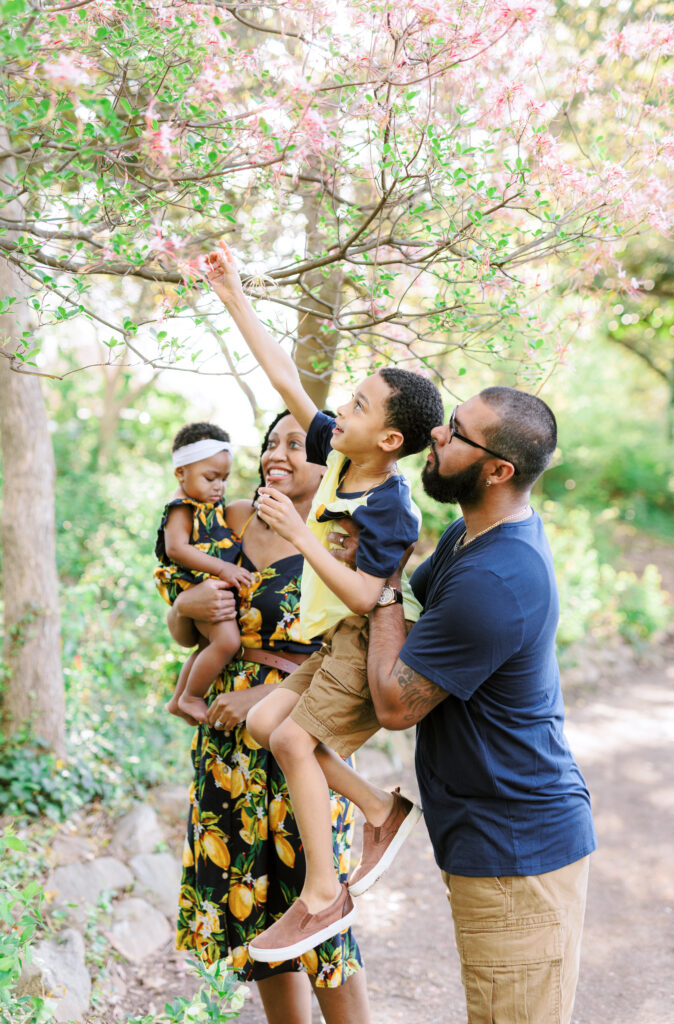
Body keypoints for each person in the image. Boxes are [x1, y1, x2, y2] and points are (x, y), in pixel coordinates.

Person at [204, 242, 444, 962]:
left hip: (362, 643)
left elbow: (372, 594)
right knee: (265, 729)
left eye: (359, 405)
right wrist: (233, 295)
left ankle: (321, 893)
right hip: (330, 642)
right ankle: (378, 807)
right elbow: (284, 376)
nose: (341, 410)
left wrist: (299, 537)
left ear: (391, 438)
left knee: (283, 737)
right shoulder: (338, 451)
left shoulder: (390, 506)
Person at [357, 386, 597, 1024]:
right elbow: (412, 614)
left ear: (499, 470)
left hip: (517, 848)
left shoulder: (496, 577)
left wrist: (378, 586)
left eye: (457, 431)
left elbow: (394, 703)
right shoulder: (473, 532)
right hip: (487, 836)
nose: (436, 432)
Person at [167, 411, 372, 1024]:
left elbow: (354, 648)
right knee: (254, 904)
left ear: (331, 461)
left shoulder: (341, 537)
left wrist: (262, 693)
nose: (277, 454)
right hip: (225, 746)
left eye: (297, 444)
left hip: (304, 733)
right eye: (270, 443)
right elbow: (190, 634)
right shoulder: (225, 521)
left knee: (316, 904)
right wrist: (183, 604)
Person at [154, 422, 253, 723]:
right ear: (181, 473)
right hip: (193, 583)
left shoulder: (209, 504)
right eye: (210, 477)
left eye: (224, 478)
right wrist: (223, 567)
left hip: (207, 583)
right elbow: (177, 549)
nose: (219, 486)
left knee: (208, 645)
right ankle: (191, 696)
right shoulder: (181, 506)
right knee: (227, 643)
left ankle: (177, 700)